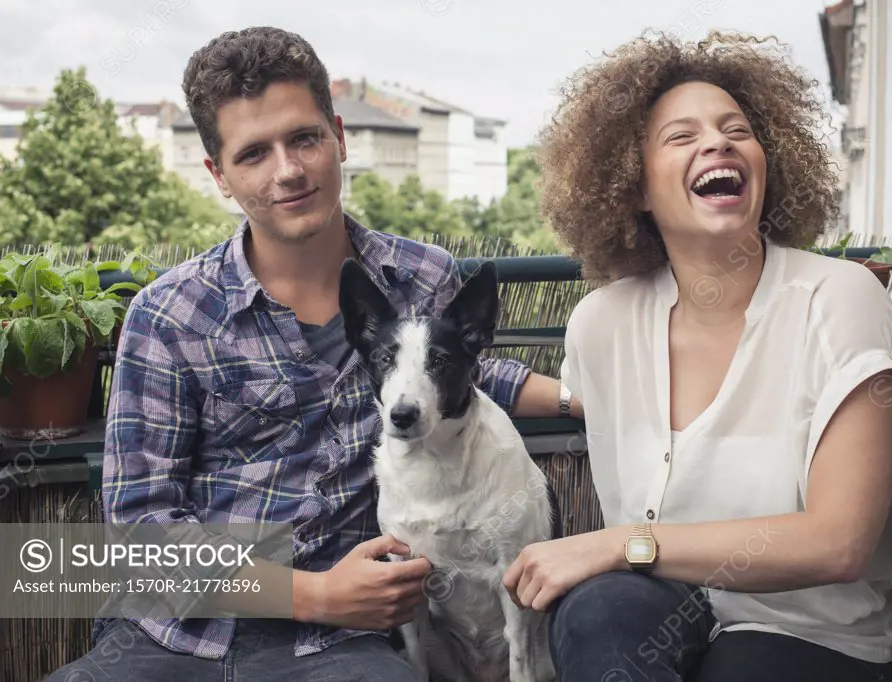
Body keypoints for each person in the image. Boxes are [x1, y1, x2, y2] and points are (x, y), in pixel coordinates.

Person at [47, 26, 579, 681]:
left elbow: (457, 373)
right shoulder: (169, 313)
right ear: (218, 174)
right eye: (253, 154)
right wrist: (317, 594)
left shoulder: (422, 278)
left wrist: (583, 397)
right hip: (172, 636)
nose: (289, 170)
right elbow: (139, 535)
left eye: (304, 138)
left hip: (336, 649)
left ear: (339, 137)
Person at [501, 30, 892, 682]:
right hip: (667, 601)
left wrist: (623, 543)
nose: (717, 143)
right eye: (681, 136)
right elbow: (579, 400)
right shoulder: (601, 324)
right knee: (597, 612)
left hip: (813, 634)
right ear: (633, 186)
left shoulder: (838, 301)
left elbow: (842, 543)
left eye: (736, 130)